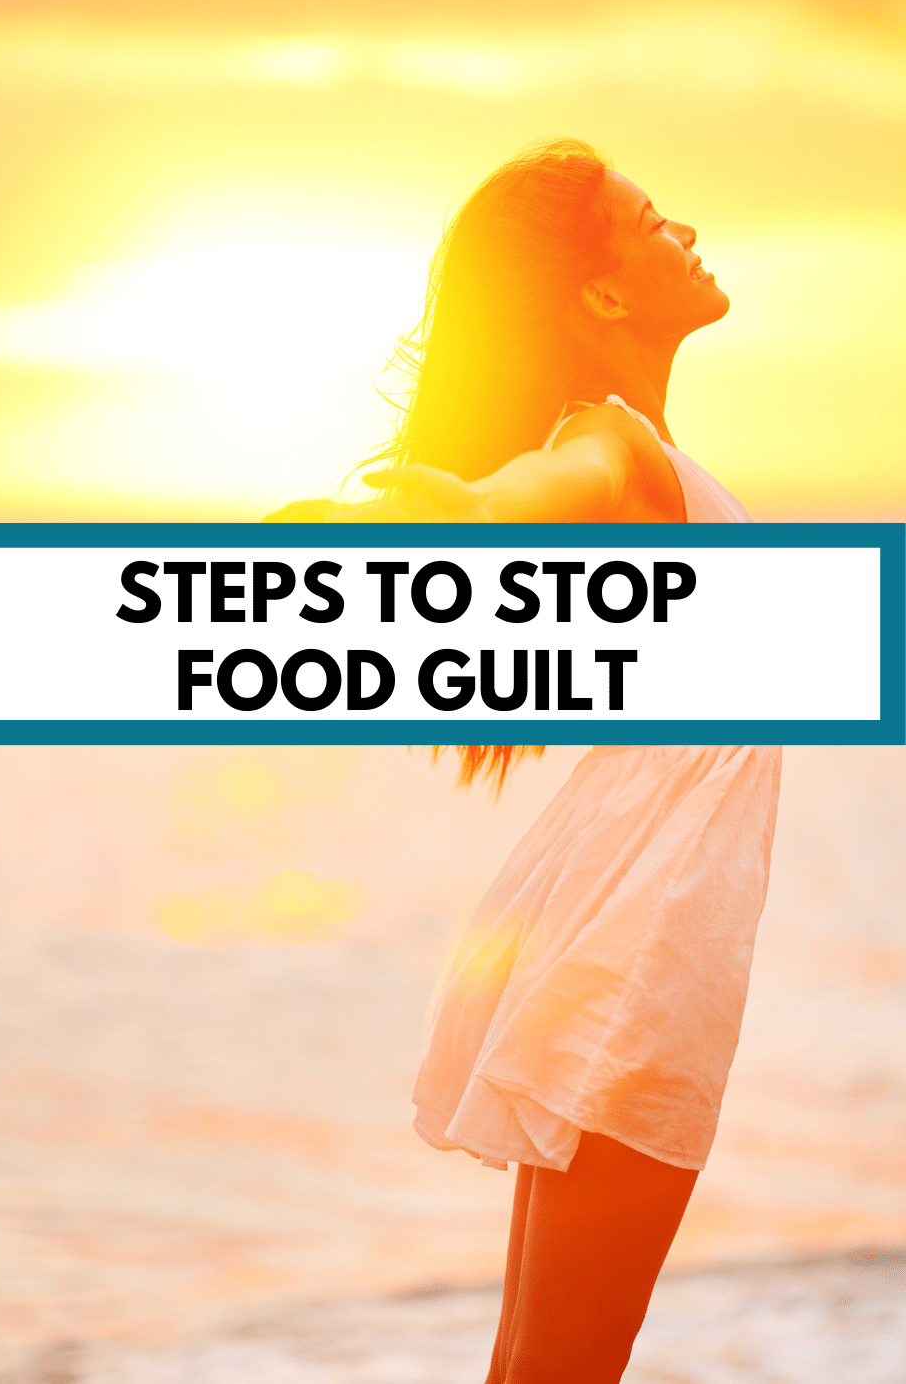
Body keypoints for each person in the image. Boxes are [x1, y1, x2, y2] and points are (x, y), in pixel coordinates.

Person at [266, 139, 782, 1383]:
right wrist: (464, 514)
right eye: (653, 222)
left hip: (627, 929)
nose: (685, 231)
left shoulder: (646, 455)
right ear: (601, 295)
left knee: (542, 1363)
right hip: (641, 945)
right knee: (564, 1365)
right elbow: (545, 487)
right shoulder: (617, 451)